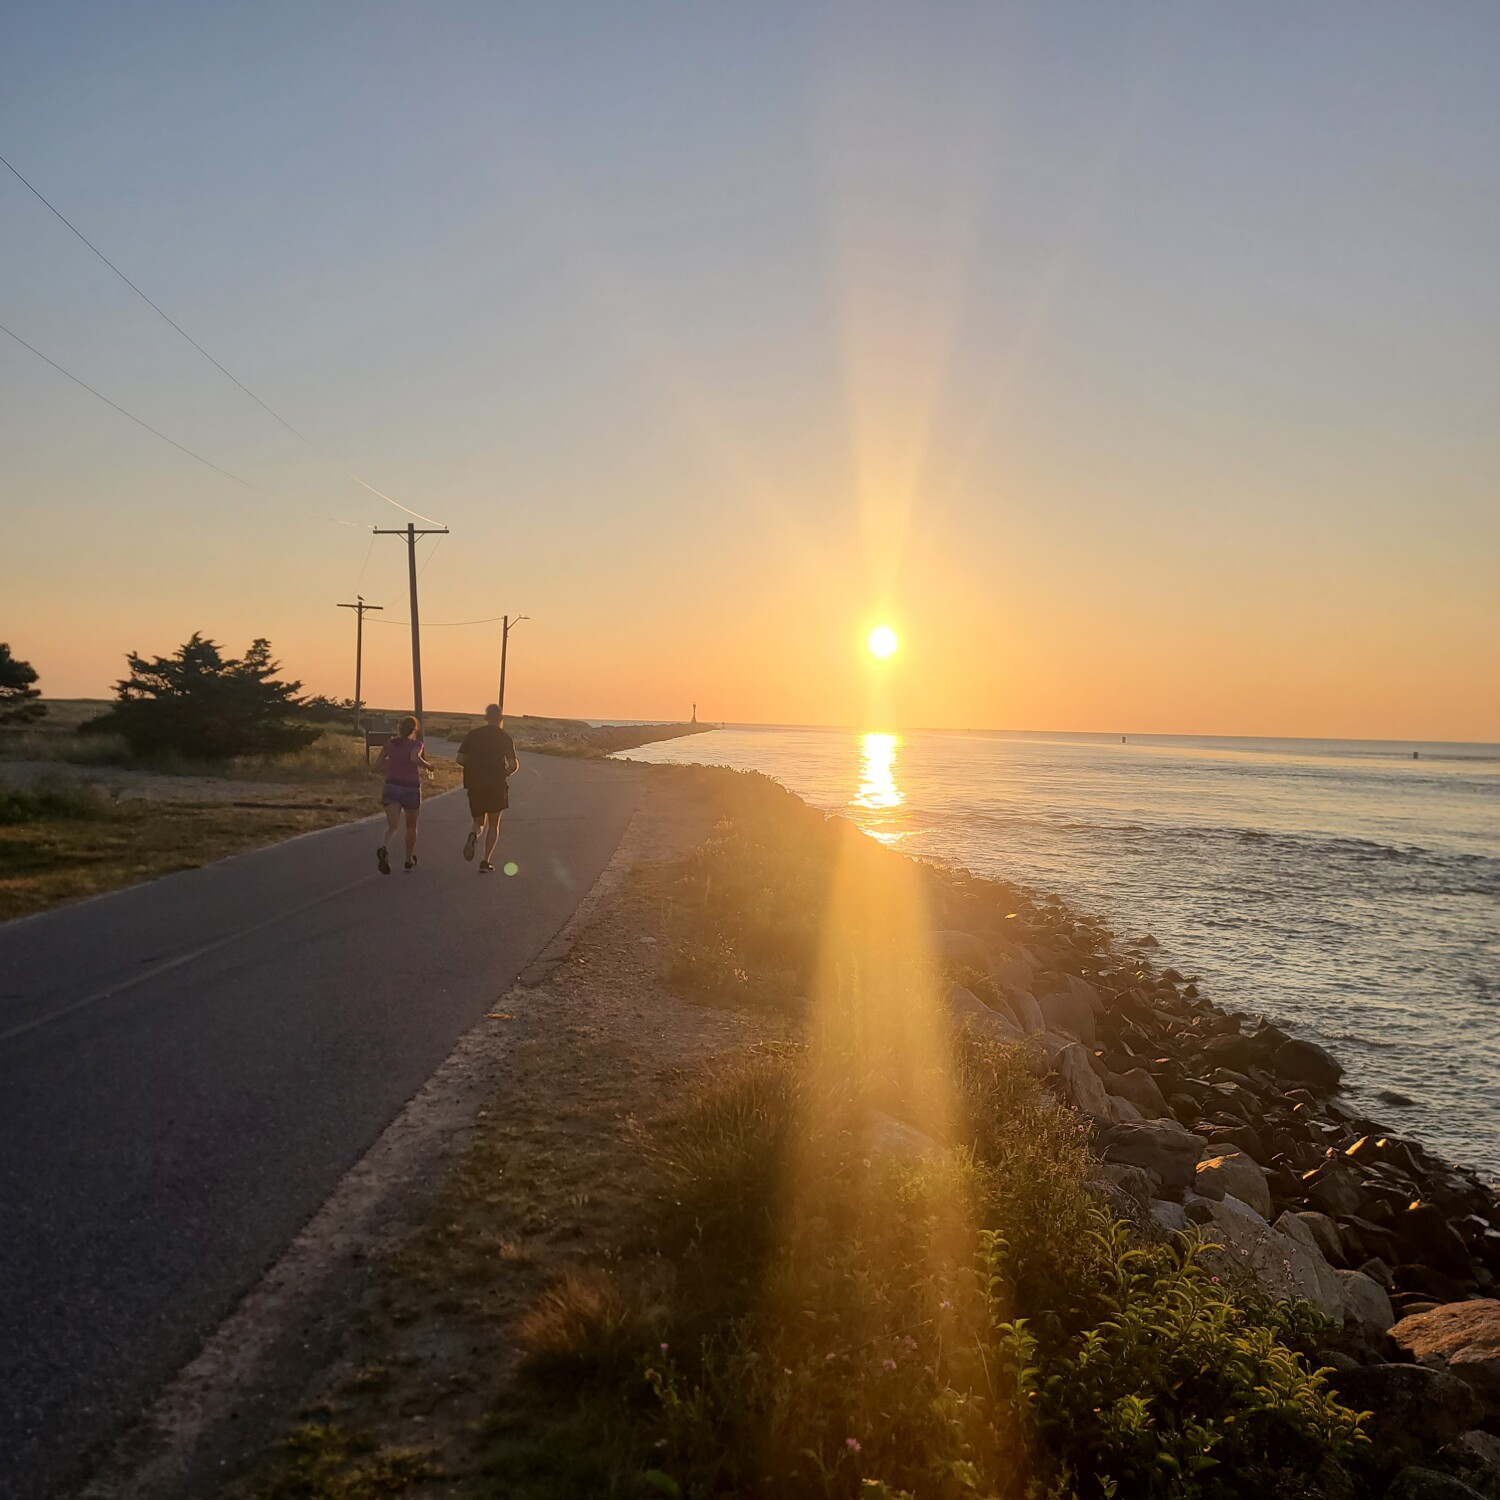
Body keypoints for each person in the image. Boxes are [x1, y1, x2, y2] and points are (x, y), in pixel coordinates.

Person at [456, 704, 519, 873]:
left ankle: (473, 835)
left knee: (478, 822)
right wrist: (504, 773)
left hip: (475, 783)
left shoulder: (473, 735)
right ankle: (485, 861)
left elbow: (460, 759)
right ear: (501, 718)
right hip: (496, 784)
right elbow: (513, 765)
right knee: (493, 823)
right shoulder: (505, 737)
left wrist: (474, 767)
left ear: (485, 717)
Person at [375, 714, 433, 873]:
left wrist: (393, 764)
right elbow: (414, 758)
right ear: (415, 730)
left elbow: (377, 766)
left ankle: (384, 848)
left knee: (392, 826)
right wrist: (428, 765)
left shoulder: (390, 744)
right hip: (410, 788)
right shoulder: (416, 744)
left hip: (391, 786)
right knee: (411, 826)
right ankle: (408, 860)